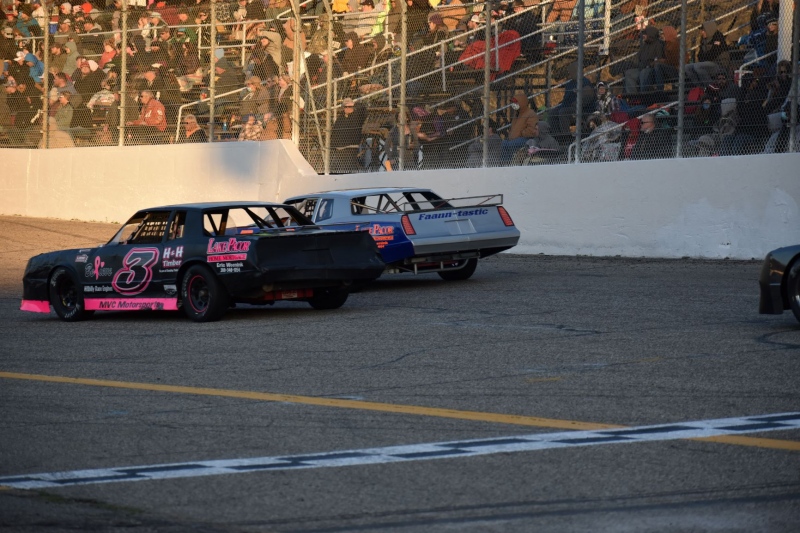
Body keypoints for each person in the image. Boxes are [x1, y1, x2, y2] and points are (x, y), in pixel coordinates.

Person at [685, 20, 730, 87]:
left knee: (698, 66)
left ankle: (710, 87)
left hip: (719, 65)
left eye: (703, 30)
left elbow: (714, 53)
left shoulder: (718, 37)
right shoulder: (704, 40)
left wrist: (705, 57)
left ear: (709, 29)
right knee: (687, 67)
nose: (702, 32)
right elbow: (700, 55)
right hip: (708, 63)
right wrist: (705, 57)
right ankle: (699, 87)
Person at [500, 90, 539, 162]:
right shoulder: (517, 114)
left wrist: (521, 133)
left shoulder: (531, 113)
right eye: (513, 103)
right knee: (504, 143)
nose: (514, 104)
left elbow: (532, 129)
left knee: (510, 145)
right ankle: (504, 164)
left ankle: (509, 163)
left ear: (522, 103)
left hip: (526, 139)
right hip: (515, 138)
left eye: (515, 102)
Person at [624, 25, 664, 94]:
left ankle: (644, 95)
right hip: (642, 67)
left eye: (645, 34)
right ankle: (633, 96)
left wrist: (649, 65)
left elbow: (659, 60)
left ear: (650, 35)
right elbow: (639, 58)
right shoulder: (645, 45)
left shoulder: (658, 45)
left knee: (644, 73)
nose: (643, 36)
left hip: (651, 69)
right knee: (629, 73)